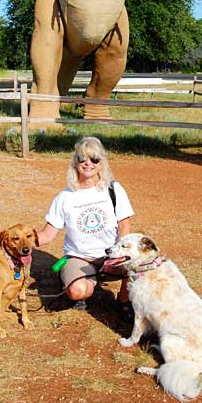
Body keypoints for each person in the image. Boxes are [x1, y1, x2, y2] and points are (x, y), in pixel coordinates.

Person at [36, 136, 134, 319]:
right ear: (75, 162)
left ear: (101, 163)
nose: (88, 163)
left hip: (110, 256)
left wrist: (119, 255)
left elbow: (124, 225)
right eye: (82, 158)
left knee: (141, 266)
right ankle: (78, 279)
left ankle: (123, 300)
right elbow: (47, 235)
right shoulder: (65, 197)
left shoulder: (114, 189)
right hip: (79, 257)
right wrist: (20, 240)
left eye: (94, 159)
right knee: (78, 291)